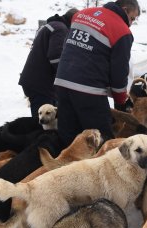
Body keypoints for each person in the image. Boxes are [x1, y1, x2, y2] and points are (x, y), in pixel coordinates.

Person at [53, 0, 140, 146]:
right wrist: (120, 99)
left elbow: (68, 46)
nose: (130, 23)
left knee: (69, 139)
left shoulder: (82, 15)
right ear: (125, 9)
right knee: (102, 141)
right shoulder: (122, 31)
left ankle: (66, 167)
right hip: (89, 90)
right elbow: (119, 69)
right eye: (132, 18)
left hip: (62, 82)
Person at [18, 8, 78, 117]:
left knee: (45, 120)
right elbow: (56, 57)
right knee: (43, 123)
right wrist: (67, 76)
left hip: (35, 81)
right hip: (41, 83)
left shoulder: (53, 25)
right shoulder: (60, 29)